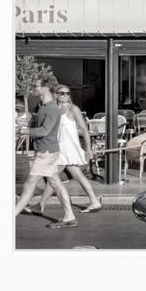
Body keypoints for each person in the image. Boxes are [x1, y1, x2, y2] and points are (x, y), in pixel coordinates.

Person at [14, 75, 78, 228]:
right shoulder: (44, 106)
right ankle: (69, 217)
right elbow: (42, 124)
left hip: (46, 152)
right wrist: (27, 123)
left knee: (30, 185)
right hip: (48, 150)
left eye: (36, 86)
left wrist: (24, 130)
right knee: (55, 183)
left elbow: (45, 130)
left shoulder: (50, 108)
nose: (34, 88)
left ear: (45, 88)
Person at [33, 84, 103, 214]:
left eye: (67, 93)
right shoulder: (53, 109)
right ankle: (94, 201)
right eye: (61, 93)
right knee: (75, 175)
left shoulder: (73, 109)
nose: (65, 95)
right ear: (55, 94)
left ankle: (40, 206)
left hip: (68, 148)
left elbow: (84, 129)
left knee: (52, 177)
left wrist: (89, 149)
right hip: (58, 147)